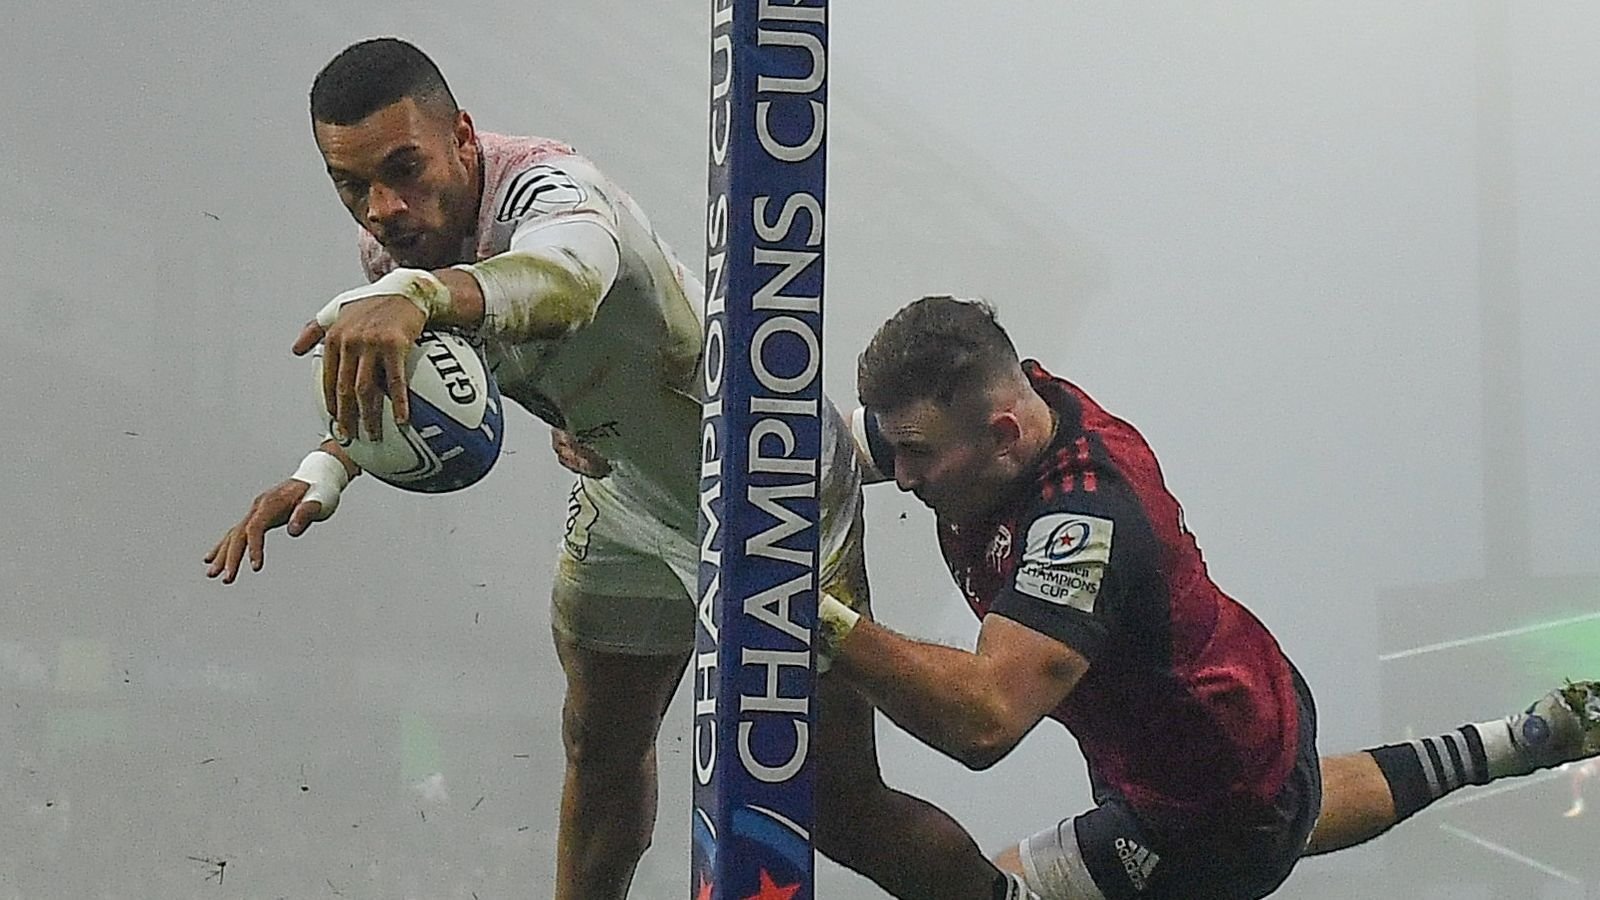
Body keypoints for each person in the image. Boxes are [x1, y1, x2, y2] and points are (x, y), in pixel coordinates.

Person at [202, 38, 1035, 900]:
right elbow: (431, 383)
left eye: (404, 167)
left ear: (463, 135)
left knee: (836, 808)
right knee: (598, 752)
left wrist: (416, 299)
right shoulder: (396, 259)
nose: (382, 207)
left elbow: (563, 282)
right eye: (352, 186)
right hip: (628, 504)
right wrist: (326, 468)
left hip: (764, 486)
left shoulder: (551, 191)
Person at [816, 294, 1600, 899]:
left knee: (983, 887)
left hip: (1209, 820)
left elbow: (982, 721)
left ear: (1004, 435)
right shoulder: (1009, 410)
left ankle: (1512, 745)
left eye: (915, 456)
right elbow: (848, 444)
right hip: (1243, 723)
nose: (903, 478)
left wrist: (807, 608)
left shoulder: (1084, 524)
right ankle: (1523, 739)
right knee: (1292, 800)